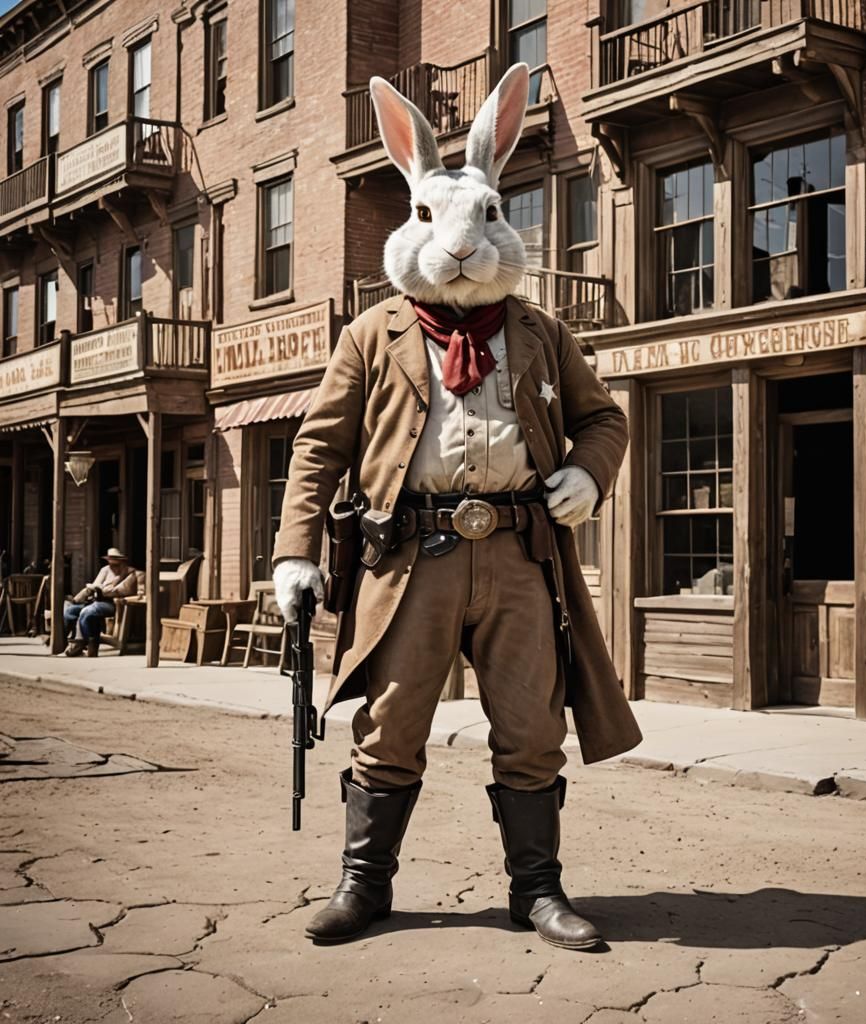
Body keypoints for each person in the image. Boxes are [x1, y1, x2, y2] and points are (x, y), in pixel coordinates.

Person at [272, 63, 641, 951]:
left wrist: (589, 477)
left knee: (530, 723)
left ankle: (538, 891)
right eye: (438, 220)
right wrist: (294, 553)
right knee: (390, 724)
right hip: (410, 559)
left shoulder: (542, 331)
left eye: (485, 220)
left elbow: (604, 419)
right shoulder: (374, 332)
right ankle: (364, 886)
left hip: (520, 555)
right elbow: (318, 443)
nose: (465, 244)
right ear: (414, 218)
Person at [63, 547, 137, 657]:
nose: (112, 562)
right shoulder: (105, 569)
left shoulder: (129, 573)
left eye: (115, 559)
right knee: (70, 611)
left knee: (86, 612)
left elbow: (120, 591)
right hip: (96, 599)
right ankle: (74, 640)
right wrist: (95, 589)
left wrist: (101, 589)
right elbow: (96, 584)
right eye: (110, 559)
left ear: (121, 560)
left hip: (113, 603)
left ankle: (87, 642)